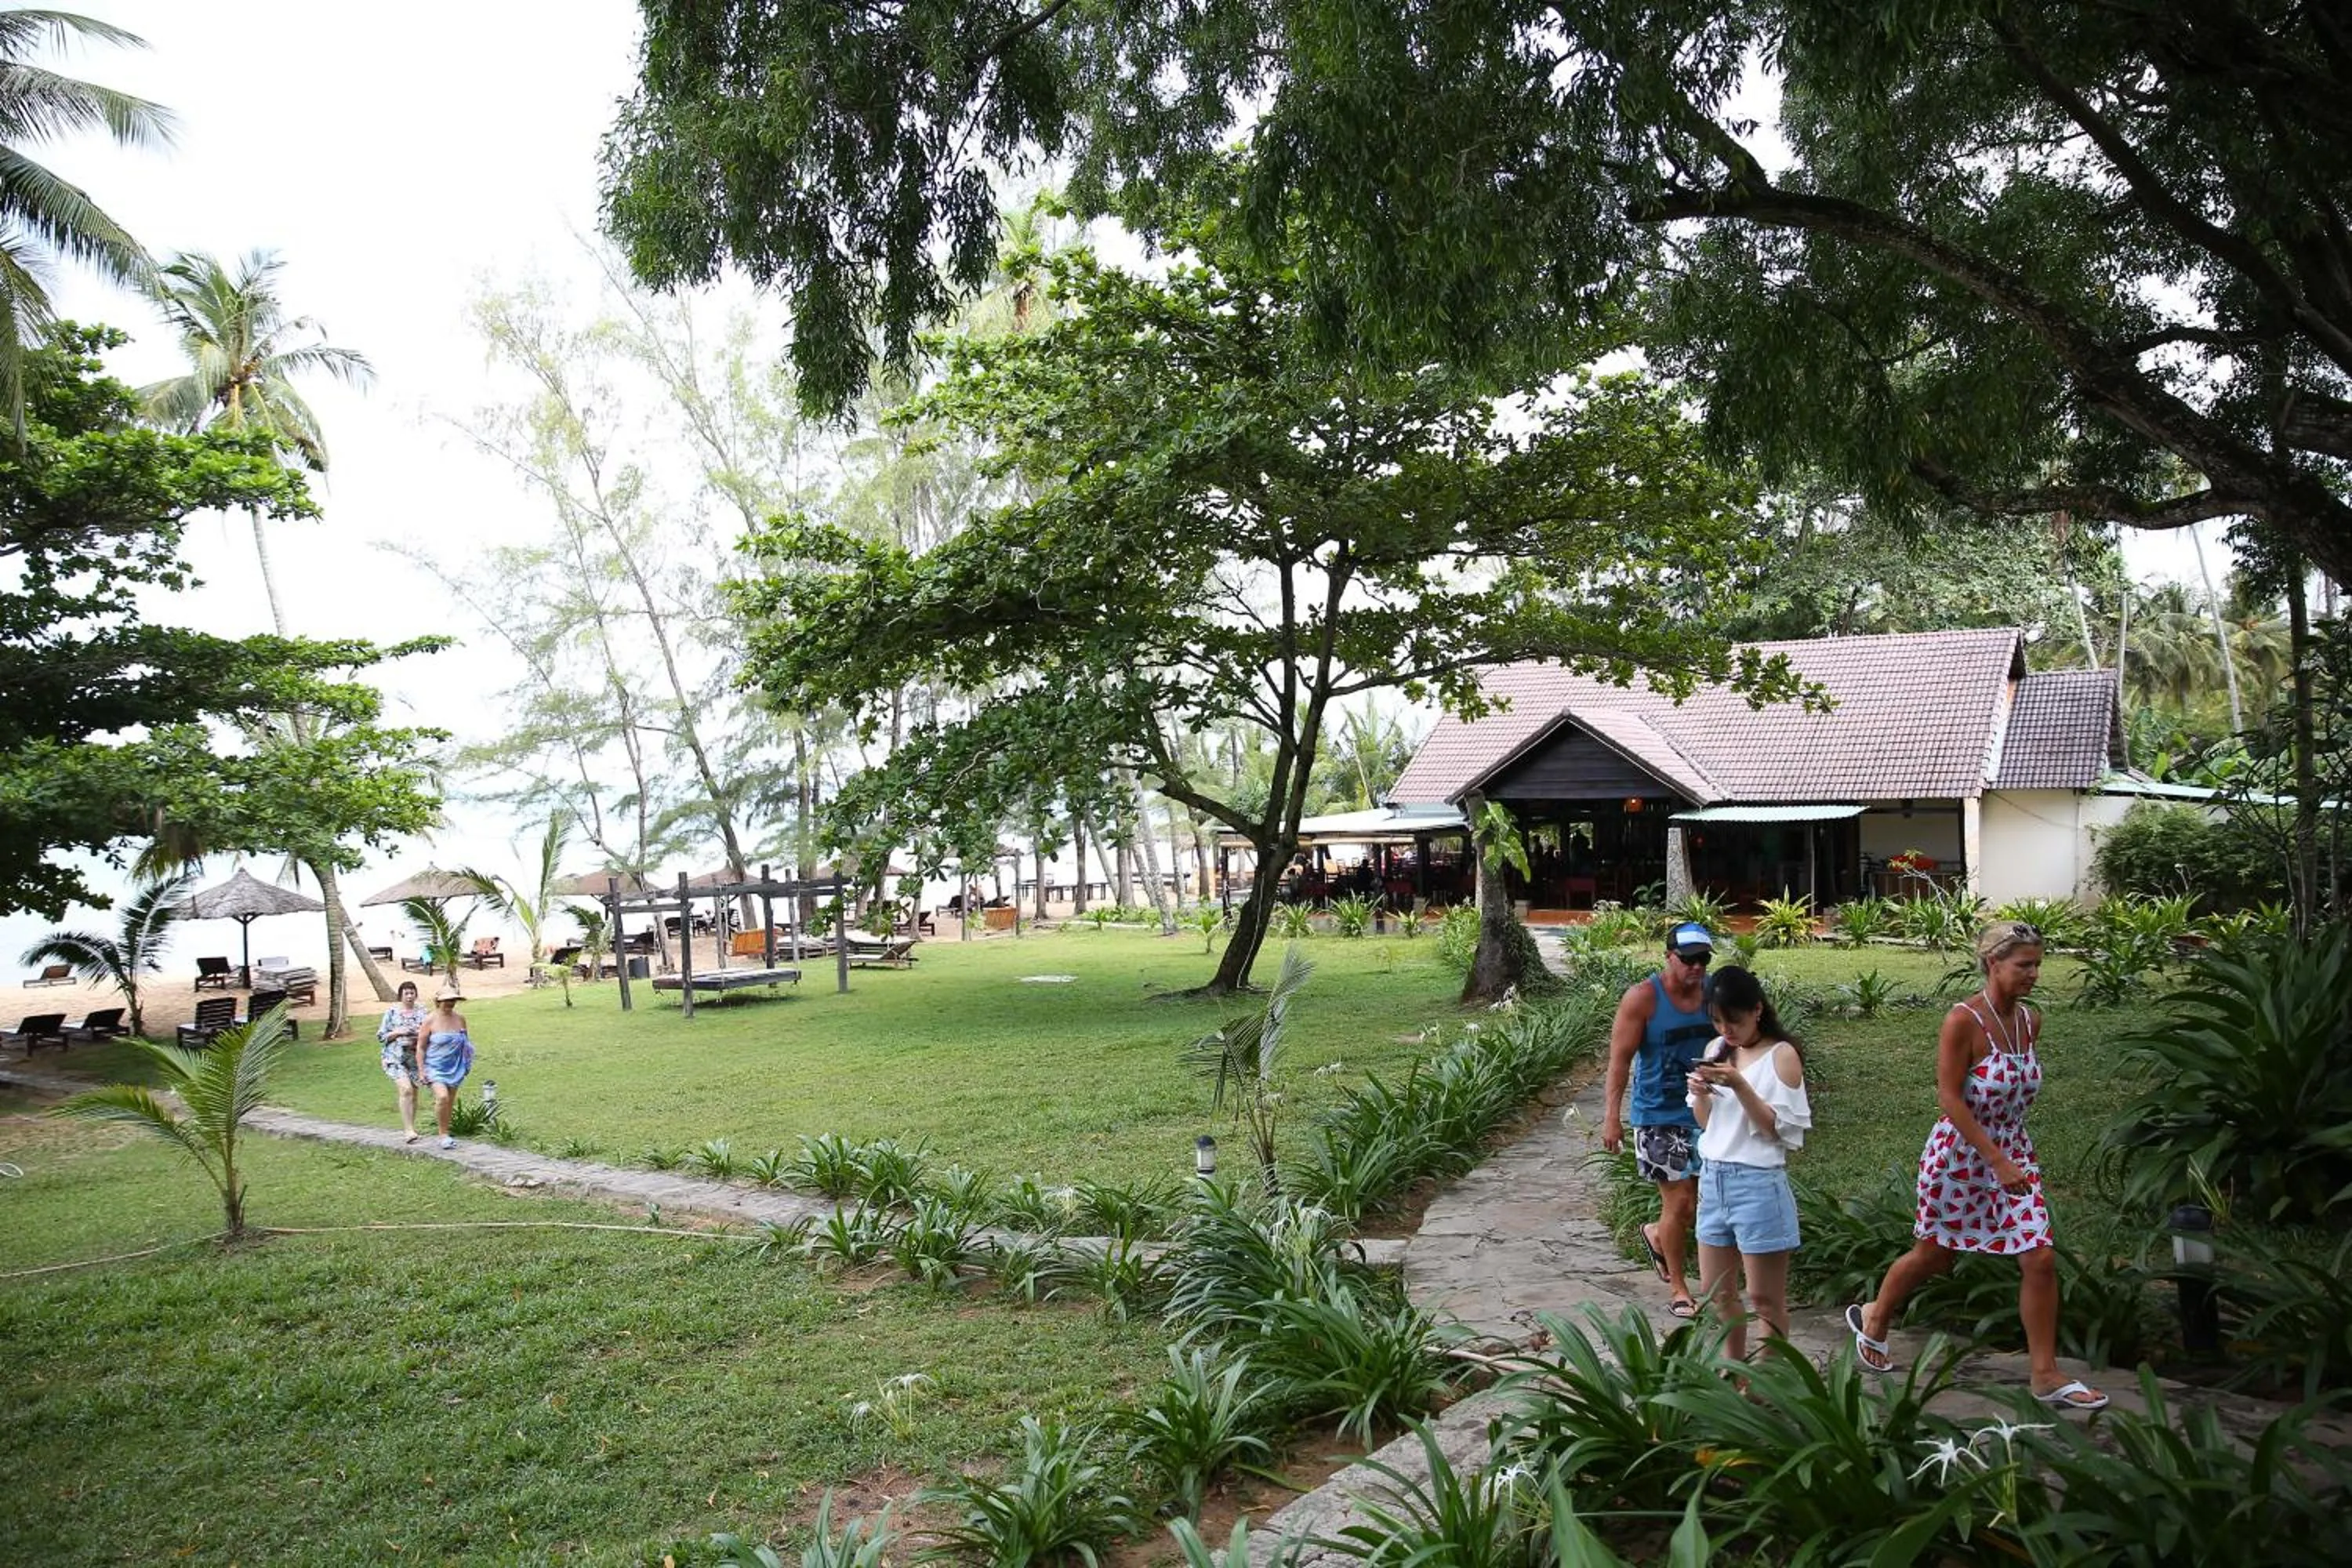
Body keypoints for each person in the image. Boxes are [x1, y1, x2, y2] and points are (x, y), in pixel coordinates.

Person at [1846, 921, 2108, 1411]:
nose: (2033, 974)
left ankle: (2046, 1375)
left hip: (2014, 1154)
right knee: (1935, 1255)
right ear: (1993, 963)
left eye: (2037, 965)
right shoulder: (1963, 1020)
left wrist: (2009, 1158)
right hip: (1961, 1157)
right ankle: (1877, 1315)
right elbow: (1949, 1097)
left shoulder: (2031, 1021)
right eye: (2023, 965)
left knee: (2040, 1256)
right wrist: (1993, 1157)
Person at [1686, 966, 1810, 1362]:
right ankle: (1733, 1369)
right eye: (1718, 1021)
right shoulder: (1715, 1051)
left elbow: (1777, 1132)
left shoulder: (1782, 1056)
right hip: (1713, 1179)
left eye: (1734, 1020)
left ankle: (1767, 1380)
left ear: (1757, 1010)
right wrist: (1701, 1094)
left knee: (1765, 1298)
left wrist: (1739, 1085)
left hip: (1756, 1183)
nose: (1727, 1030)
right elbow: (1707, 1124)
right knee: (1716, 1290)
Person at [1602, 920, 1718, 1317]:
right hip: (1657, 1115)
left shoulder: (1713, 994)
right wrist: (1612, 1118)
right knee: (1680, 1202)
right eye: (1688, 960)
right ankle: (1681, 1288)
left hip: (1708, 1111)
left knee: (1703, 1202)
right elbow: (1619, 1062)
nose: (1697, 968)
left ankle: (1656, 1234)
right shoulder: (1642, 999)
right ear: (1668, 957)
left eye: (1703, 959)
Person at [416, 983, 474, 1151]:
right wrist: (421, 1070)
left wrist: (466, 1062)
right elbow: (421, 1046)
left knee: (449, 1101)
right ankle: (442, 1134)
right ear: (438, 1002)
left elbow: (465, 1043)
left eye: (453, 1000)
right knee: (442, 1097)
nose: (450, 1003)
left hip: (455, 1066)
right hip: (434, 1066)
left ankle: (446, 1133)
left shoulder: (460, 1019)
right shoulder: (430, 1020)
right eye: (447, 1000)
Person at [376, 980, 429, 1144]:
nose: (409, 996)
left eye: (412, 993)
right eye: (406, 993)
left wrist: (419, 1034)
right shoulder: (392, 1013)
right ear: (401, 996)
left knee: (413, 1092)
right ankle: (407, 1130)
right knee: (405, 1089)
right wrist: (397, 1033)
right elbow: (381, 1036)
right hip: (395, 1057)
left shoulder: (423, 1012)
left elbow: (430, 1033)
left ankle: (411, 1128)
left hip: (415, 1058)